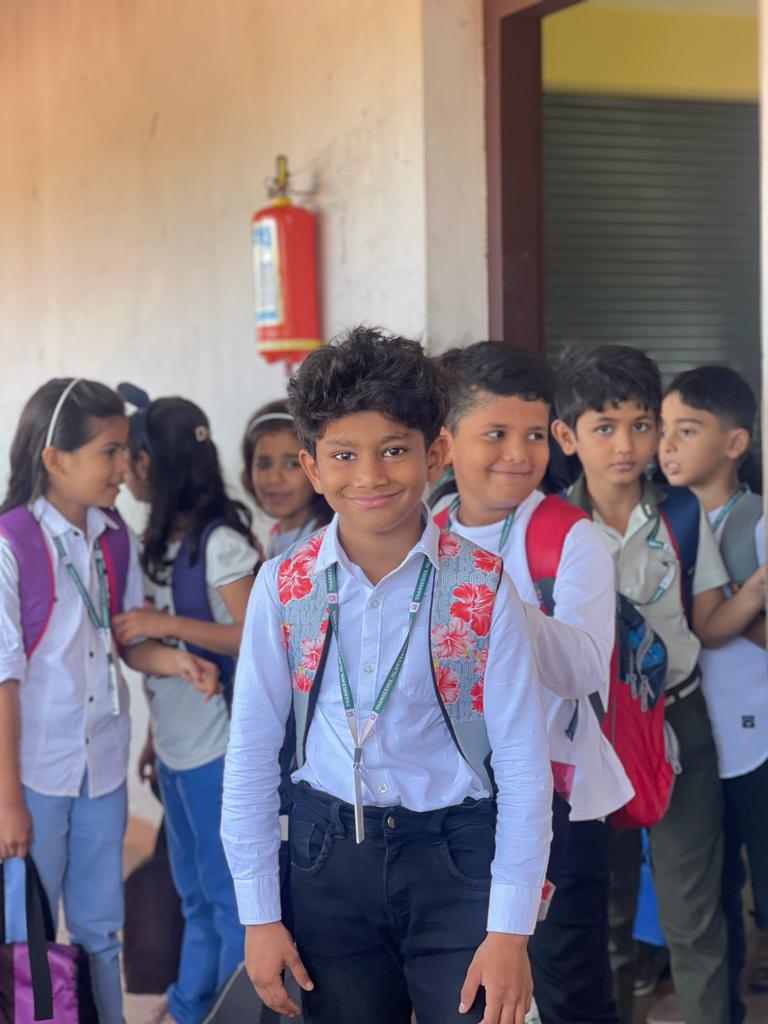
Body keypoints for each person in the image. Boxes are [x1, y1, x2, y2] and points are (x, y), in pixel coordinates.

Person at [221, 326, 553, 1024]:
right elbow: (250, 752)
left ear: (434, 454)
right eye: (344, 454)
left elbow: (525, 765)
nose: (369, 476)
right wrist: (259, 915)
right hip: (325, 858)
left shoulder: (483, 586)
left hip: (457, 855)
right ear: (313, 467)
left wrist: (510, 928)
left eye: (394, 450)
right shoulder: (284, 586)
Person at [550, 346, 766, 1024]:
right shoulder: (551, 526)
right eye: (604, 427)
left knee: (693, 916)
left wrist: (757, 585)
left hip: (678, 722)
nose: (626, 445)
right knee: (606, 914)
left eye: (641, 425)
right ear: (567, 436)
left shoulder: (680, 513)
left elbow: (708, 624)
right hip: (592, 733)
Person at [0, 378, 218, 1024]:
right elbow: (3, 682)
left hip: (101, 768)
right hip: (34, 773)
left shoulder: (113, 536)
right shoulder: (11, 544)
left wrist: (177, 660)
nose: (125, 466)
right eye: (110, 451)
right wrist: (7, 801)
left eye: (125, 449)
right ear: (55, 458)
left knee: (100, 925)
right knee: (29, 929)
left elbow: (124, 637)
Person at [437, 340, 632, 1024]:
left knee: (566, 988)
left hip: (557, 803)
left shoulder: (570, 536)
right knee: (467, 991)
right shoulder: (424, 532)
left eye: (533, 434)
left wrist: (492, 599)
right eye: (495, 433)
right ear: (445, 442)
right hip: (453, 806)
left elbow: (583, 669)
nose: (518, 455)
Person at [113, 387, 260, 1024]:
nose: (122, 469)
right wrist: (153, 735)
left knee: (226, 899)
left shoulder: (219, 542)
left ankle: (227, 1012)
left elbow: (255, 636)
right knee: (194, 892)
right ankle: (190, 1004)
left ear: (152, 462)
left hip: (219, 748)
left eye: (128, 455)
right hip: (178, 748)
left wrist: (163, 624)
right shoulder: (157, 540)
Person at [660, 365, 767, 1024]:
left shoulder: (753, 521)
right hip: (698, 738)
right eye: (663, 429)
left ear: (735, 443)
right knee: (716, 889)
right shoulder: (665, 519)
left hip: (757, 738)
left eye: (687, 430)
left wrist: (740, 606)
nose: (667, 445)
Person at [241, 399, 332, 559]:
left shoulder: (327, 542)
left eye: (292, 464)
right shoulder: (275, 534)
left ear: (315, 468)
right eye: (263, 464)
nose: (274, 478)